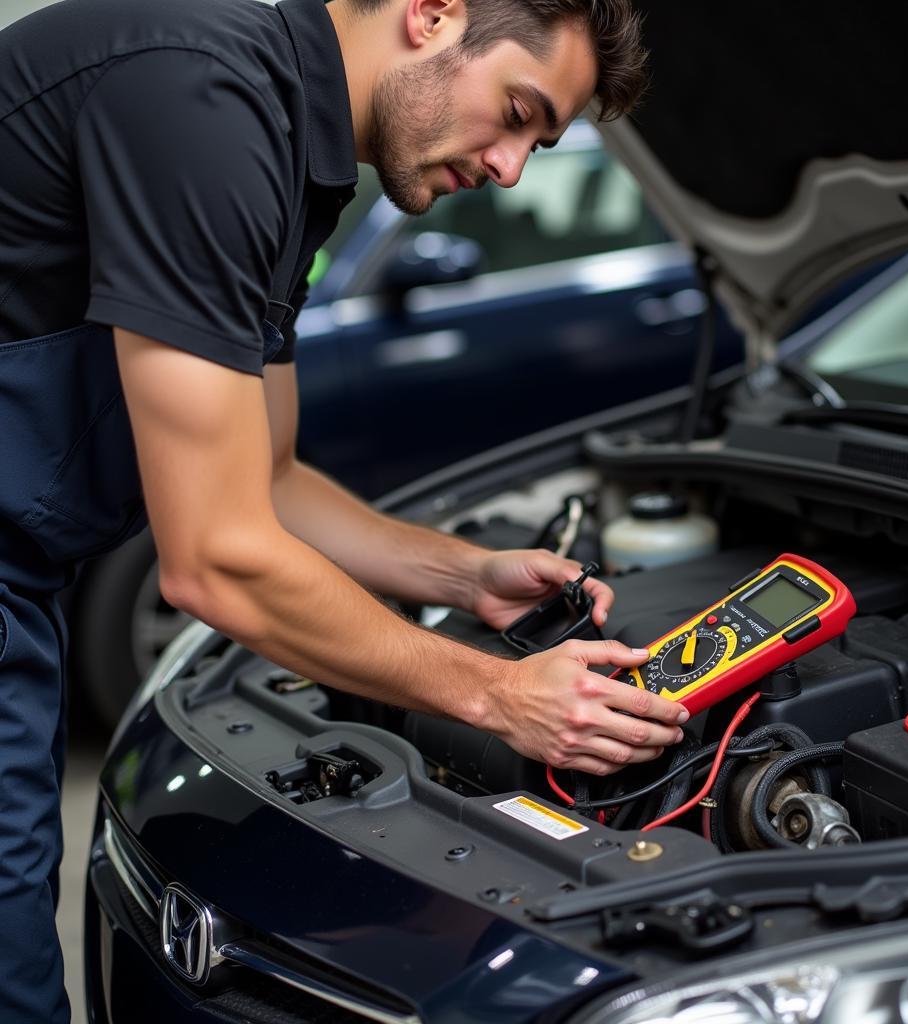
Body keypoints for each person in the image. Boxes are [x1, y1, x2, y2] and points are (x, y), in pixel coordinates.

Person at [0, 0, 687, 1019]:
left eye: (537, 143)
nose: (509, 168)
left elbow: (266, 479)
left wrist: (464, 575)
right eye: (515, 111)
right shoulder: (204, 99)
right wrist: (497, 697)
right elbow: (216, 560)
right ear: (432, 13)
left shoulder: (290, 154)